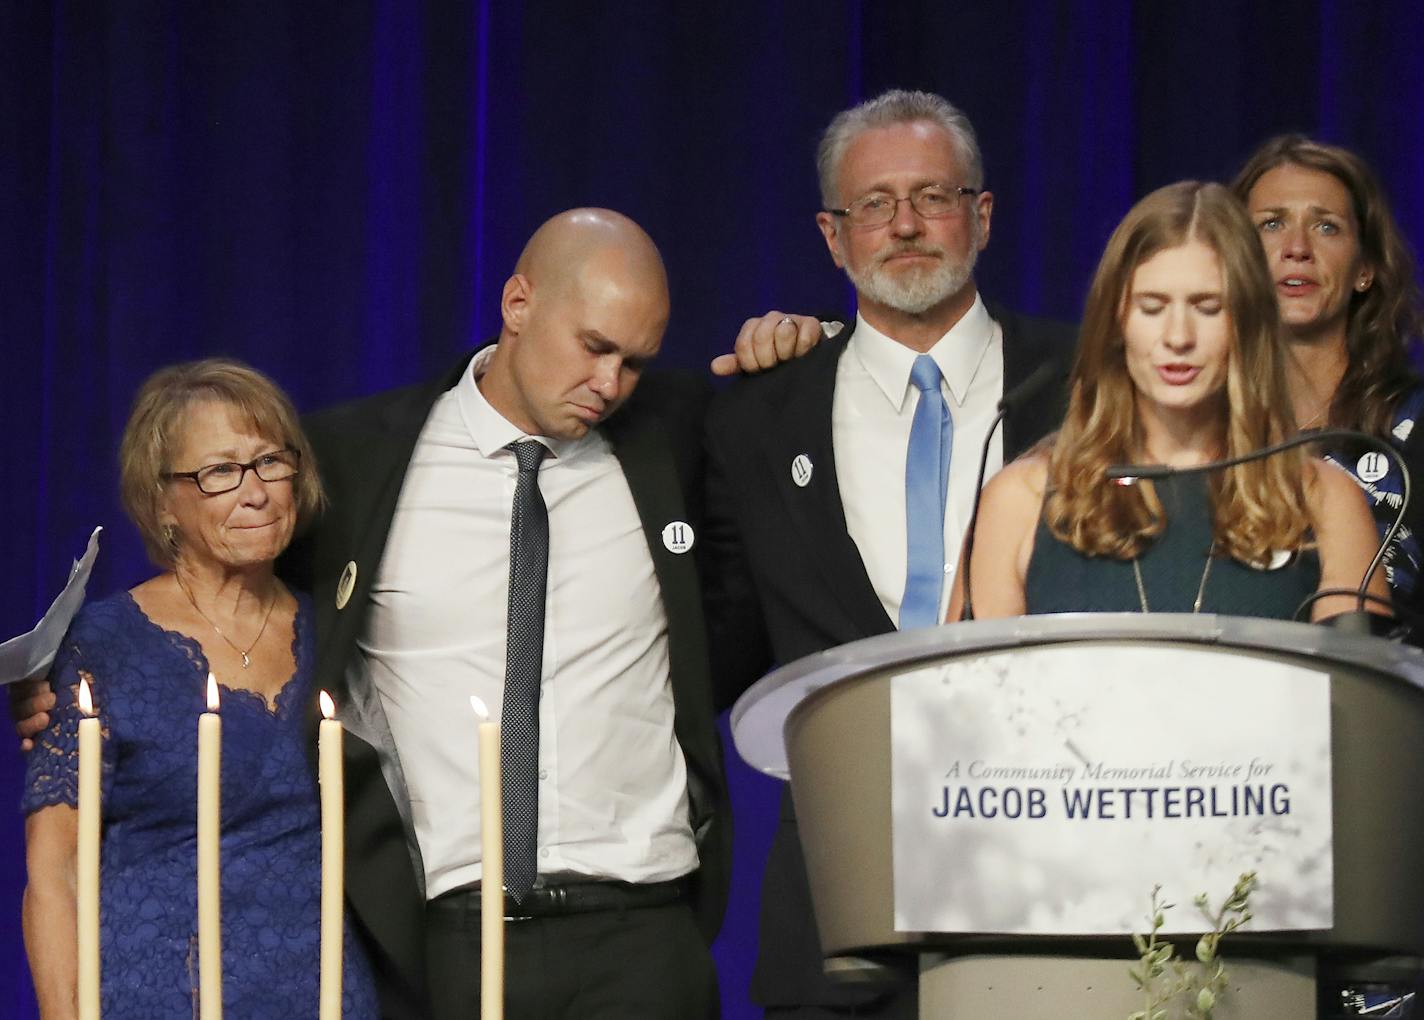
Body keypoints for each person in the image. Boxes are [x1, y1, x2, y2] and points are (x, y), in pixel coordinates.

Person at [278, 208, 730, 1019]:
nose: (610, 385)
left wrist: (801, 338)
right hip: (445, 939)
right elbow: (238, 611)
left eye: (635, 363)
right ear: (517, 303)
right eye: (595, 347)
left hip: (645, 936)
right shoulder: (352, 457)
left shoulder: (676, 439)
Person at [703, 89, 1075, 1017]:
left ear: (981, 216)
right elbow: (723, 641)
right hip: (834, 917)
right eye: (873, 205)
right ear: (833, 237)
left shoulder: (1088, 385)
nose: (905, 225)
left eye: (933, 197)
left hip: (1054, 890)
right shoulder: (755, 411)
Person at [21, 359, 378, 1018]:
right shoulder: (101, 645)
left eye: (271, 461)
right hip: (161, 995)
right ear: (162, 501)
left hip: (325, 995)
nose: (257, 491)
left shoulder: (339, 628)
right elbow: (56, 870)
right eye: (219, 472)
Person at [949, 181, 1386, 623]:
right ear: (1117, 322)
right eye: (1152, 308)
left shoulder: (1324, 500)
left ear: (1248, 324)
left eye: (1208, 307)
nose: (1179, 337)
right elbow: (958, 687)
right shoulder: (1020, 499)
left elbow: (1354, 690)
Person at [1230, 136, 1424, 632]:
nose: (1297, 249)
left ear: (1364, 270)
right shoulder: (1192, 425)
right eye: (1271, 224)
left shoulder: (1416, 420)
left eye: (1326, 227)